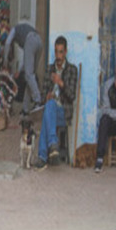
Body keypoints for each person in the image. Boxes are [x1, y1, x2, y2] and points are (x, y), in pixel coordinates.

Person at [33, 36, 78, 169]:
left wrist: (60, 83)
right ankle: (53, 145)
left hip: (64, 112)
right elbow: (42, 96)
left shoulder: (72, 70)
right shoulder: (49, 69)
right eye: (56, 52)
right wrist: (46, 96)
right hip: (50, 109)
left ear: (65, 52)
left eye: (60, 52)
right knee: (49, 105)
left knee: (49, 112)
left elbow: (72, 96)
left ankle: (42, 156)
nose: (58, 56)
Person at [4, 22, 43, 116]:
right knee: (30, 76)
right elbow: (26, 59)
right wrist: (19, 70)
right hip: (39, 42)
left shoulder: (14, 29)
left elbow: (7, 43)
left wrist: (5, 62)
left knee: (29, 75)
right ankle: (25, 109)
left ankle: (38, 100)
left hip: (31, 41)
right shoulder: (24, 31)